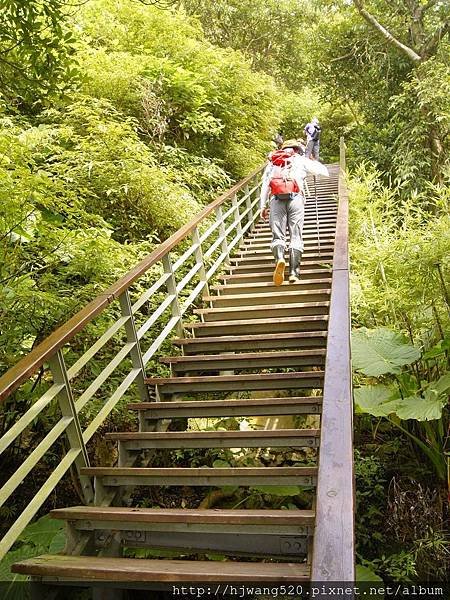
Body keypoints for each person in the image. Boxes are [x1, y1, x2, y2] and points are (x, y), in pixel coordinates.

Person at [260, 139, 325, 286]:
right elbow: (323, 171)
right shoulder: (300, 160)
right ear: (297, 149)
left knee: (277, 235)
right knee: (296, 235)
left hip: (276, 200)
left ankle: (280, 259)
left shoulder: (273, 162)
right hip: (296, 199)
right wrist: (311, 163)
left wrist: (262, 206)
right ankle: (294, 273)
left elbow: (265, 185)